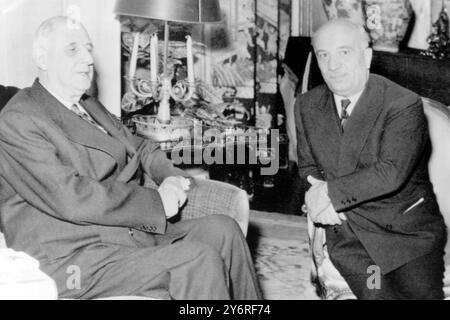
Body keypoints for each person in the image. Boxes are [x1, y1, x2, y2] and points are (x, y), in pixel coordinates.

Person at [0, 16, 262, 300]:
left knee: (224, 230)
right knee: (195, 260)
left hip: (120, 236)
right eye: (73, 49)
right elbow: (73, 198)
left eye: (88, 48)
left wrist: (171, 177)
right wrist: (157, 202)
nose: (88, 58)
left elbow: (140, 146)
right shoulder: (18, 119)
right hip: (71, 259)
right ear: (42, 57)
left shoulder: (87, 105)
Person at [295, 19, 446, 299]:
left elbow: (390, 173)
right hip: (351, 238)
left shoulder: (402, 104)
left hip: (406, 236)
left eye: (344, 52)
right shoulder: (306, 105)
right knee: (378, 295)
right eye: (323, 55)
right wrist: (314, 192)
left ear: (367, 56)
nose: (333, 65)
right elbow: (307, 166)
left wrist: (326, 193)